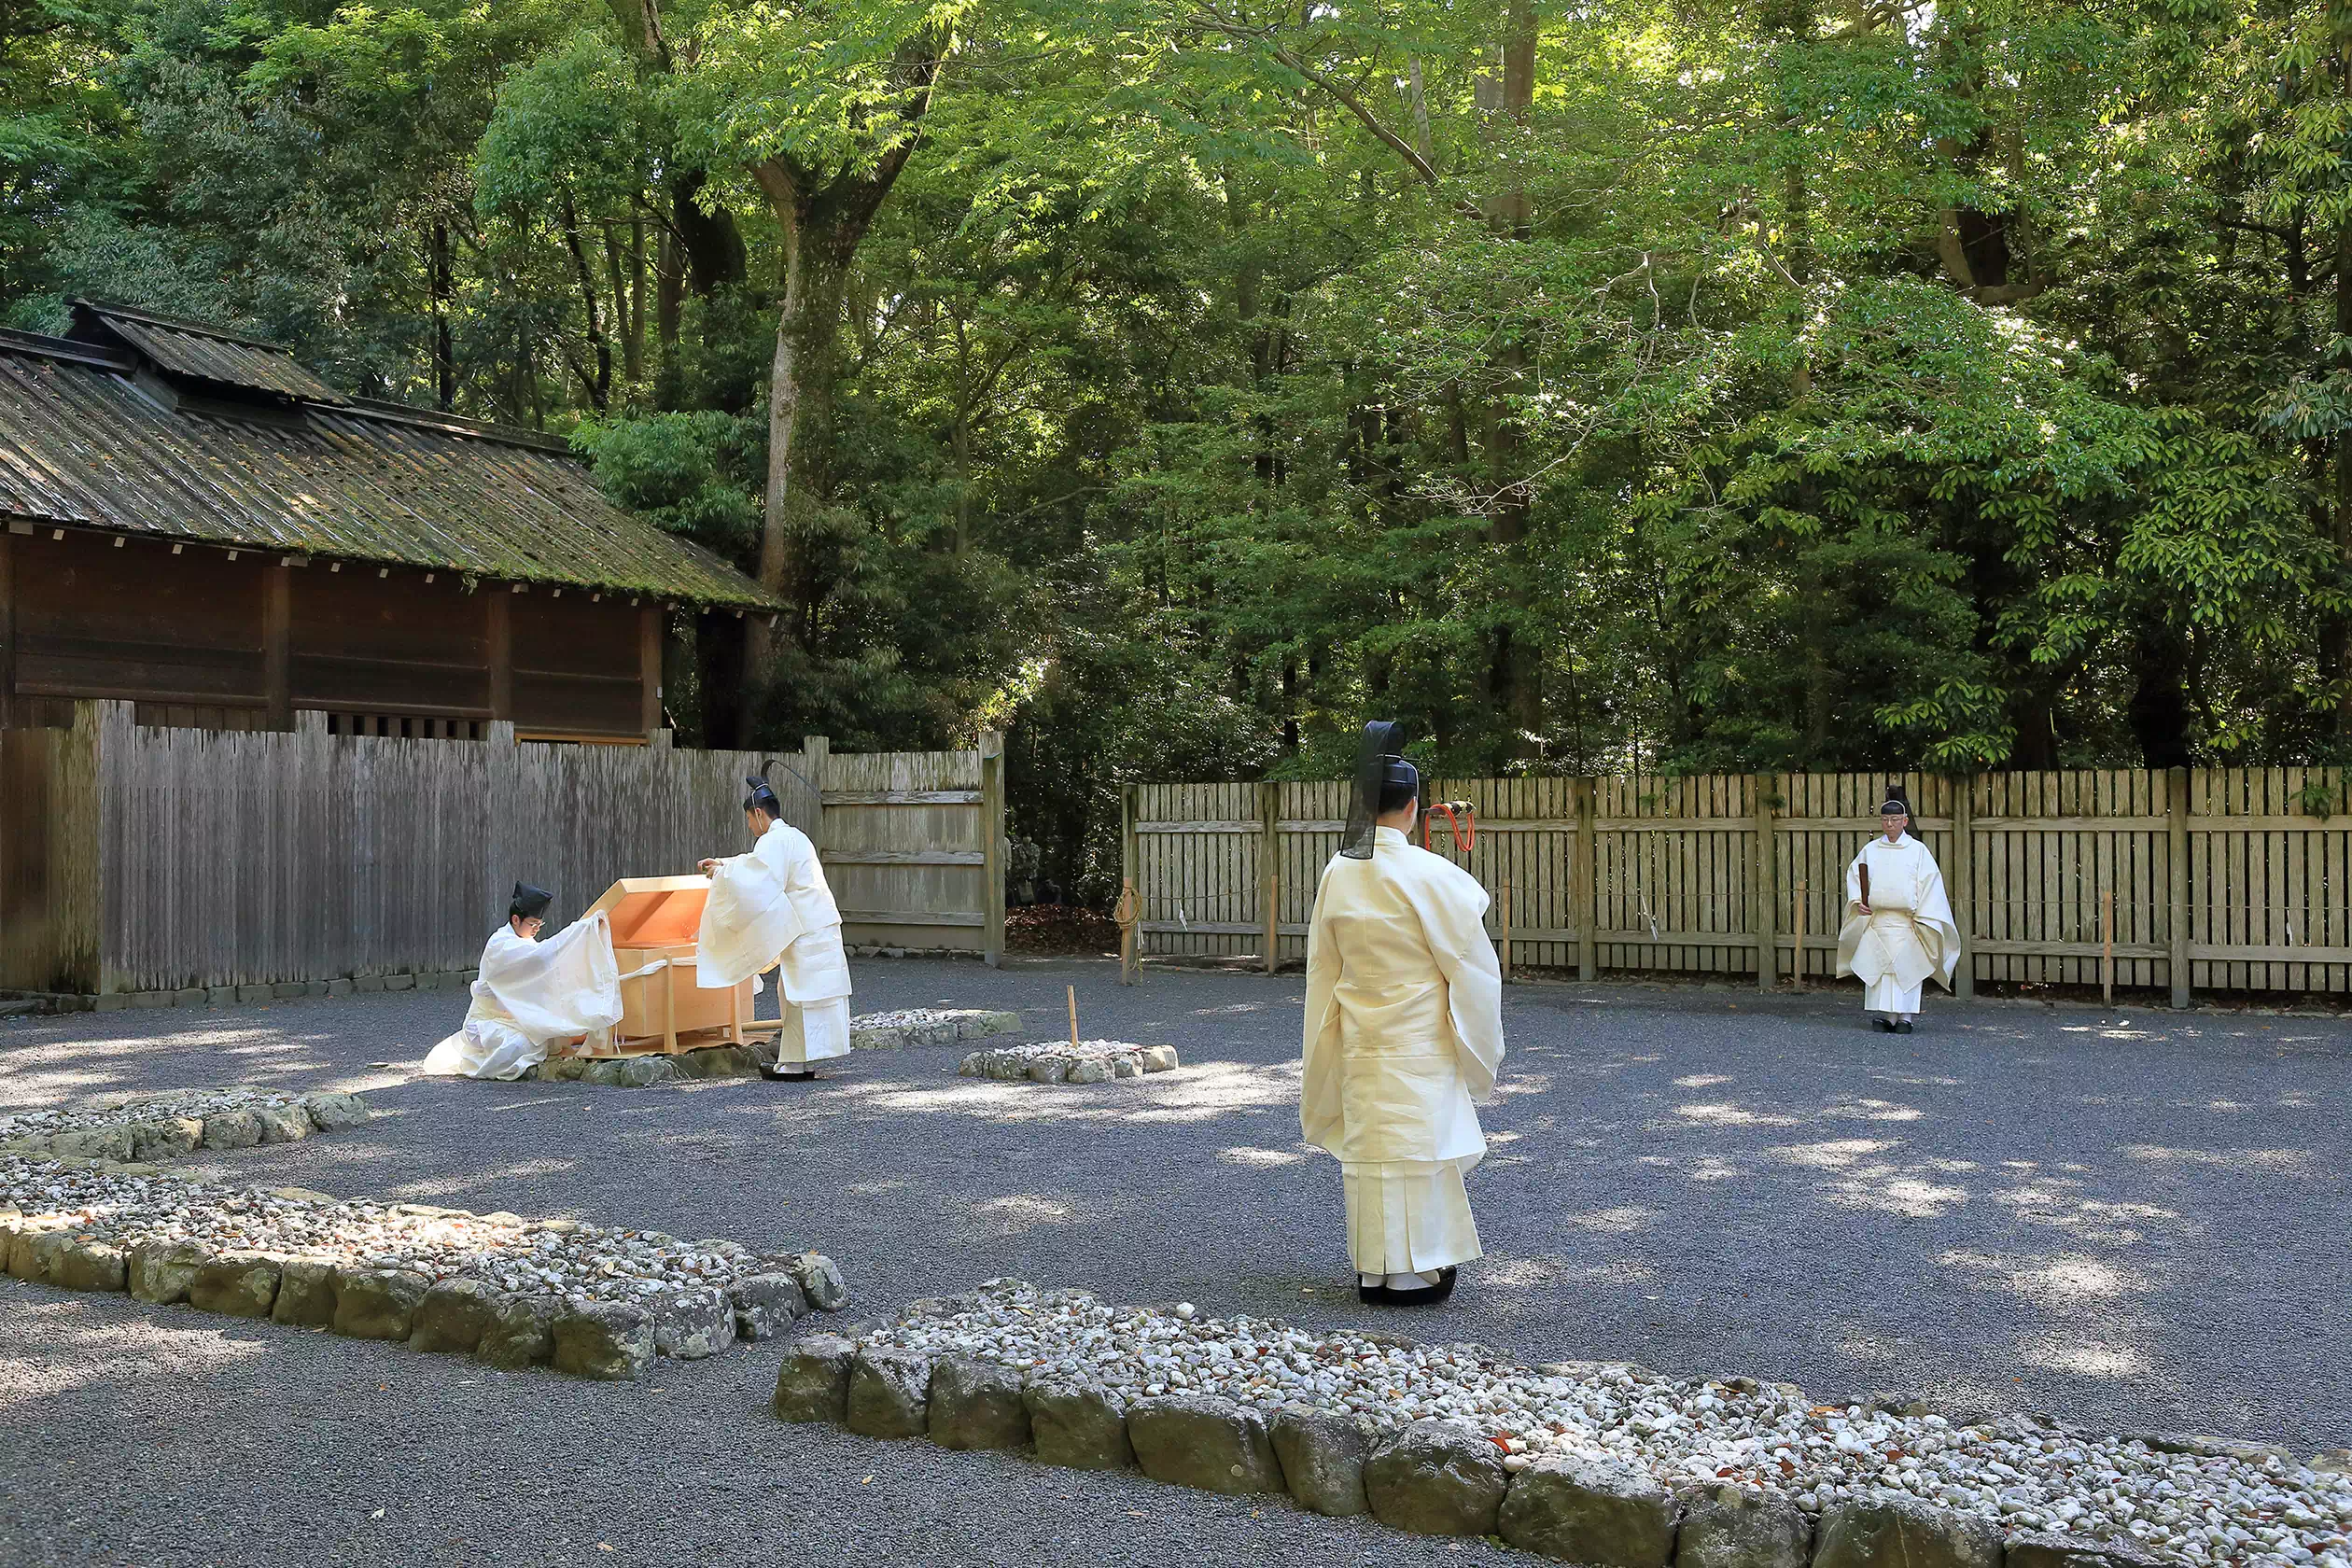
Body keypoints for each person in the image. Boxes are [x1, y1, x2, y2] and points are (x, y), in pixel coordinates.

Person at [1300, 721, 1505, 1307]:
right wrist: (1480, 1044)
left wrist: (1322, 1040)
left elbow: (1323, 967)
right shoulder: (1434, 875)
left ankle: (1375, 1271)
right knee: (1418, 1145)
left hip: (1361, 1029)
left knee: (1373, 1149)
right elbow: (1472, 968)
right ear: (1414, 807)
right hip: (1418, 1034)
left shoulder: (1337, 873)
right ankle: (1419, 1271)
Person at [695, 776, 852, 1082]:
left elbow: (758, 877)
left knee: (798, 992)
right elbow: (756, 865)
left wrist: (721, 874)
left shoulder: (775, 840)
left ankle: (795, 1064)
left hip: (807, 926)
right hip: (818, 922)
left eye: (749, 820)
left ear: (758, 813)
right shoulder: (794, 836)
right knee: (803, 991)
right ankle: (801, 1061)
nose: (750, 827)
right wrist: (725, 866)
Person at [422, 883, 624, 1081]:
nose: (536, 929)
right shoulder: (500, 944)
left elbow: (543, 965)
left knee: (553, 1035)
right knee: (524, 1044)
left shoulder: (525, 942)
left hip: (514, 1017)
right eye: (532, 924)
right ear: (516, 919)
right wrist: (580, 929)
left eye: (539, 924)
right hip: (484, 1023)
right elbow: (543, 955)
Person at [1837, 789, 1960, 1032]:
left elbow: (1930, 885)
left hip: (1907, 922)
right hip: (1878, 921)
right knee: (1880, 967)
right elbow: (1855, 878)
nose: (1889, 824)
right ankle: (1886, 1015)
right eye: (1885, 820)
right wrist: (1858, 902)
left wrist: (1923, 914)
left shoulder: (1918, 851)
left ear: (1904, 821)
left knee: (1907, 966)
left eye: (1894, 820)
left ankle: (1905, 1016)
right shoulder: (1870, 850)